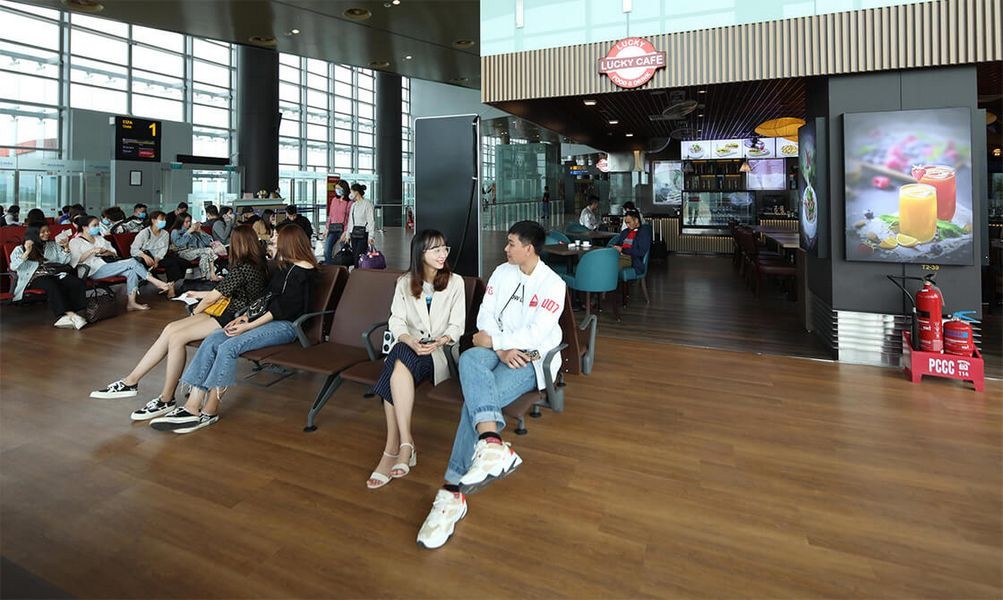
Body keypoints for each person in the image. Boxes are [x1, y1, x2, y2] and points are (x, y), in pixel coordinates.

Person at [416, 220, 566, 549]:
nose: (506, 248)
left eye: (512, 243)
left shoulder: (553, 285)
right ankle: (491, 442)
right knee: (470, 359)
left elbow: (535, 335)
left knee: (477, 401)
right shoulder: (501, 273)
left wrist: (496, 341)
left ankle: (451, 493)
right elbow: (484, 316)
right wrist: (497, 346)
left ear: (529, 248)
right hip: (496, 351)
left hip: (529, 358)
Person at [149, 224, 318, 434]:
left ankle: (209, 411)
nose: (272, 242)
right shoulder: (286, 267)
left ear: (289, 243)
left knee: (229, 346)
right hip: (265, 319)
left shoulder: (304, 272)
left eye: (276, 239)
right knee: (213, 340)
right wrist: (245, 316)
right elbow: (267, 299)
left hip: (287, 326)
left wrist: (249, 324)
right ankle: (192, 405)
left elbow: (283, 308)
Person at [90, 226, 269, 417]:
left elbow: (212, 299)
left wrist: (194, 311)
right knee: (169, 329)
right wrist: (197, 294)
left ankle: (166, 398)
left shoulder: (242, 268)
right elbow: (226, 292)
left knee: (177, 337)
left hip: (231, 315)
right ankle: (130, 381)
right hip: (228, 309)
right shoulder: (255, 265)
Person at [367, 230, 466, 490]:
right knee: (400, 356)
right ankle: (404, 445)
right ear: (420, 254)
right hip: (412, 350)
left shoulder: (455, 283)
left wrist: (440, 341)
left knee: (395, 362)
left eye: (445, 248)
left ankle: (395, 448)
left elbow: (458, 325)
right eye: (436, 250)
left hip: (440, 354)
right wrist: (409, 340)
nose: (443, 254)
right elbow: (397, 321)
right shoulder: (404, 283)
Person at [69, 214, 169, 310]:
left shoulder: (99, 239)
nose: (97, 227)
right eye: (94, 225)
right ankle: (156, 282)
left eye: (97, 225)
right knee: (132, 262)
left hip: (106, 265)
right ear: (85, 227)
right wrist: (91, 251)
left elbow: (114, 253)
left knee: (131, 272)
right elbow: (75, 261)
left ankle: (131, 303)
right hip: (92, 270)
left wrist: (106, 252)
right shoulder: (75, 242)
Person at [9, 223, 88, 329]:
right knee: (52, 286)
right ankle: (70, 315)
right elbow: (13, 267)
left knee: (76, 282)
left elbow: (64, 261)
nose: (47, 233)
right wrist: (27, 252)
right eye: (43, 232)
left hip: (54, 273)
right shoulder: (19, 249)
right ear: (34, 234)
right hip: (34, 278)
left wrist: (65, 247)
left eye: (48, 231)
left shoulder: (52, 245)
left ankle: (72, 314)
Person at [131, 211, 186, 298]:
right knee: (172, 263)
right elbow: (134, 249)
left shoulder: (165, 234)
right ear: (153, 220)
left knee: (181, 262)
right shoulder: (144, 233)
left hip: (158, 258)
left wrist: (157, 259)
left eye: (164, 219)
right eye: (162, 219)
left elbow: (163, 249)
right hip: (146, 258)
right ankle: (169, 287)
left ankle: (170, 284)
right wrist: (144, 256)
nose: (164, 221)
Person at [170, 213, 221, 282]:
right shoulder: (175, 231)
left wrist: (200, 231)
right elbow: (179, 244)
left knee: (204, 255)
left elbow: (208, 242)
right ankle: (212, 273)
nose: (188, 224)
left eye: (189, 221)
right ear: (180, 222)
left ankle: (204, 278)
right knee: (208, 250)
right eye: (186, 222)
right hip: (184, 253)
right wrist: (188, 232)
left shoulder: (193, 231)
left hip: (196, 251)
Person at [341, 183, 375, 260]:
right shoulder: (354, 205)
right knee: (355, 256)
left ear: (356, 192)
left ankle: (359, 271)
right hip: (354, 234)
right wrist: (347, 235)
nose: (350, 194)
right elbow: (351, 221)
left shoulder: (367, 204)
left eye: (351, 192)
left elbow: (371, 221)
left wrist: (371, 236)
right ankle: (357, 270)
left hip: (363, 234)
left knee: (359, 256)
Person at [324, 180, 352, 264]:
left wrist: (346, 232)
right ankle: (330, 268)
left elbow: (350, 218)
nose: (337, 190)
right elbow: (331, 215)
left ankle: (343, 269)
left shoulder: (349, 202)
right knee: (326, 250)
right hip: (332, 229)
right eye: (336, 188)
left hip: (343, 230)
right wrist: (326, 227)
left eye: (339, 188)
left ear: (344, 189)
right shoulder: (334, 200)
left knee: (344, 252)